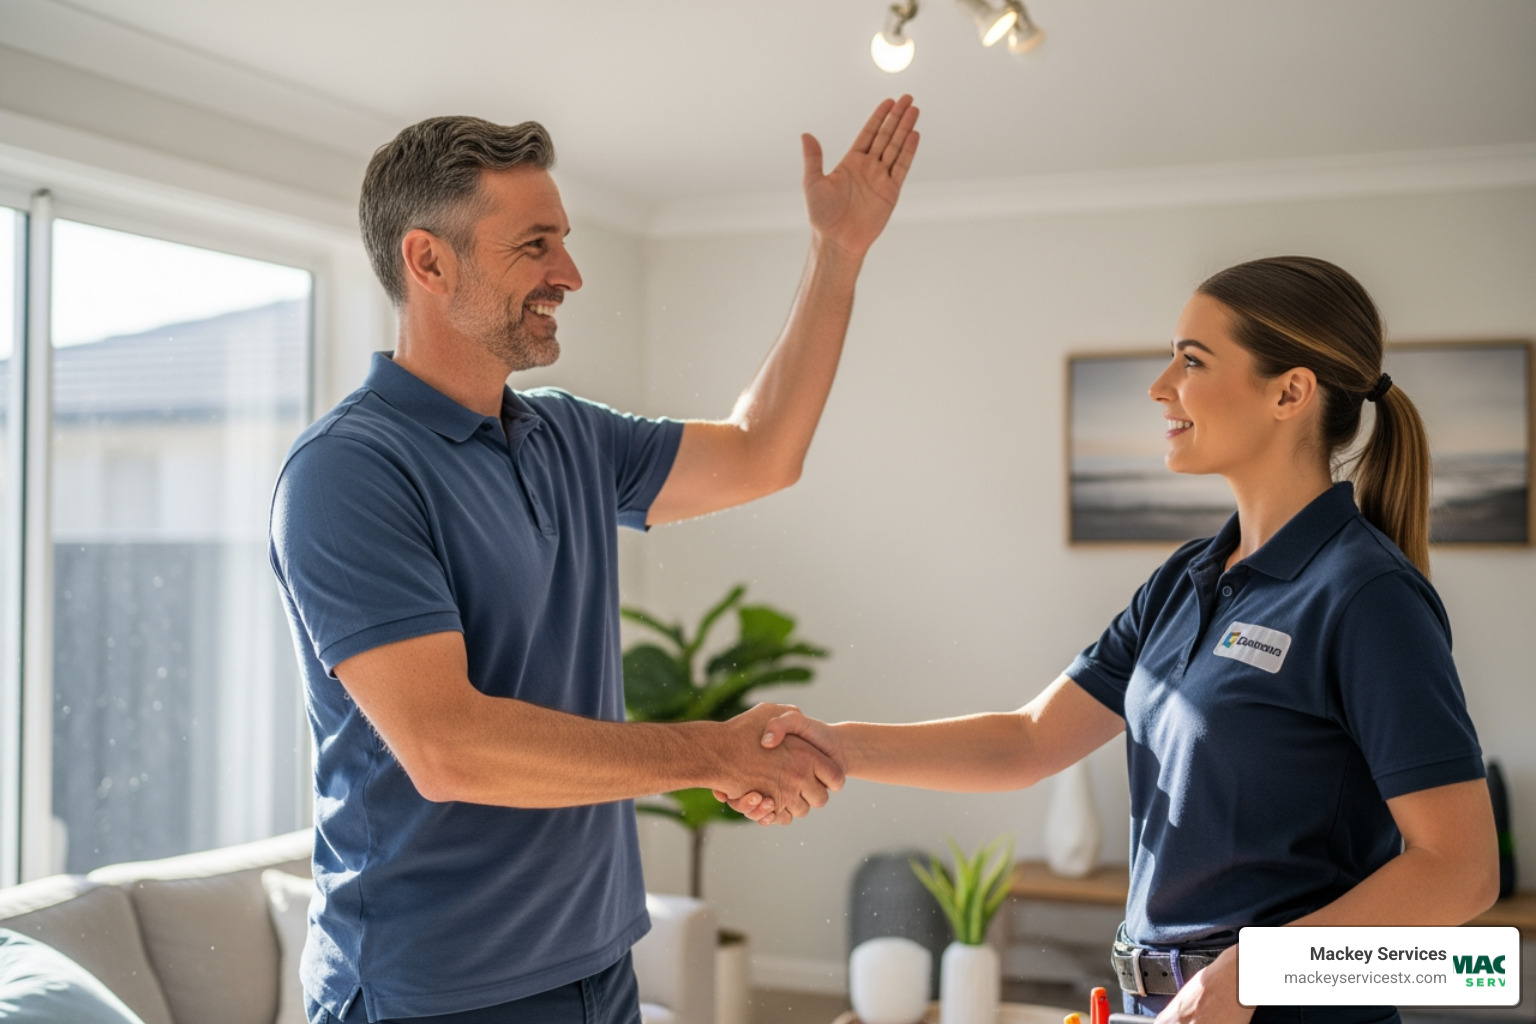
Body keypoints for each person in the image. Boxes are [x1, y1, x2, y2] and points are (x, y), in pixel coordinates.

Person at [268, 97, 919, 1024]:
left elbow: (763, 449)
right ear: (428, 259)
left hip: (594, 963)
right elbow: (448, 748)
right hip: (434, 991)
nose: (569, 272)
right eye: (535, 245)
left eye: (564, 241)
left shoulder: (566, 436)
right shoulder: (348, 471)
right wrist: (712, 752)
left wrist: (838, 254)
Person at [733, 257, 1499, 1024]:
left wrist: (1250, 980)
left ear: (1289, 393)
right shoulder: (1185, 579)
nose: (1160, 385)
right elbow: (1029, 741)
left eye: (1192, 360)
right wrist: (838, 746)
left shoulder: (1366, 595)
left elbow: (1460, 870)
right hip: (1150, 1005)